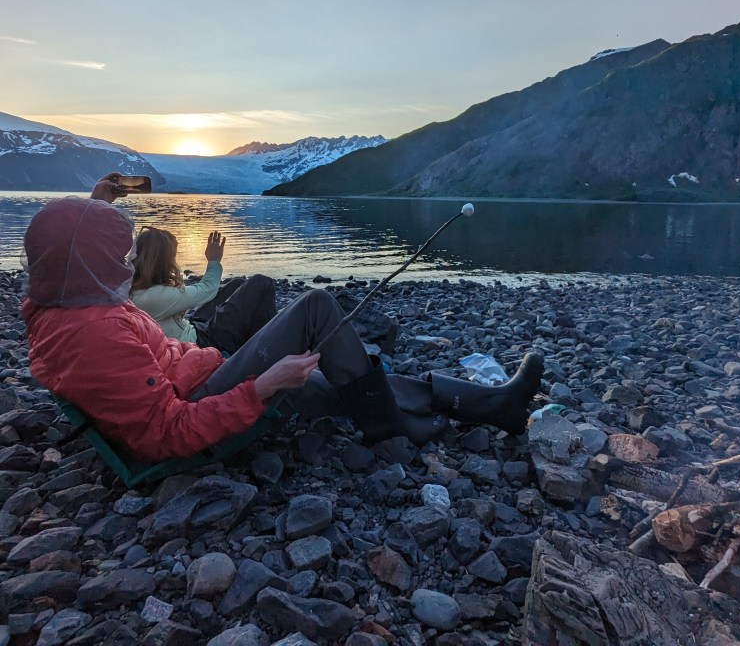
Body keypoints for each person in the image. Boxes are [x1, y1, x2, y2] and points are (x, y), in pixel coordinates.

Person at [22, 182, 544, 464]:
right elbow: (166, 433)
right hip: (207, 396)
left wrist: (96, 205)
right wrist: (260, 386)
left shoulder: (68, 303)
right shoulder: (95, 333)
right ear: (83, 260)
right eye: (115, 255)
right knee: (316, 307)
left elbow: (72, 247)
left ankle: (491, 404)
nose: (124, 264)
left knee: (339, 379)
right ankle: (389, 425)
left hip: (208, 373)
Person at [130, 225, 276, 355]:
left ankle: (248, 338)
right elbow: (207, 289)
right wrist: (214, 261)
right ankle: (264, 350)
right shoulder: (152, 297)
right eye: (172, 257)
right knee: (262, 283)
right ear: (161, 262)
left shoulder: (132, 289)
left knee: (237, 284)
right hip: (200, 344)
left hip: (189, 328)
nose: (173, 262)